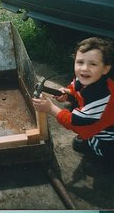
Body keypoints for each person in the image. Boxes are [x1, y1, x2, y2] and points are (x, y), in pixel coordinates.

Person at [33, 37, 114, 176]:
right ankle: (91, 141)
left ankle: (105, 162)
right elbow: (76, 89)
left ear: (105, 69)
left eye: (93, 64)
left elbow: (77, 123)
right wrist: (68, 93)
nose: (84, 68)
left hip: (108, 135)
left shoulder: (103, 97)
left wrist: (51, 109)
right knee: (79, 128)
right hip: (94, 121)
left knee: (101, 152)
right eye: (80, 62)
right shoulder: (87, 79)